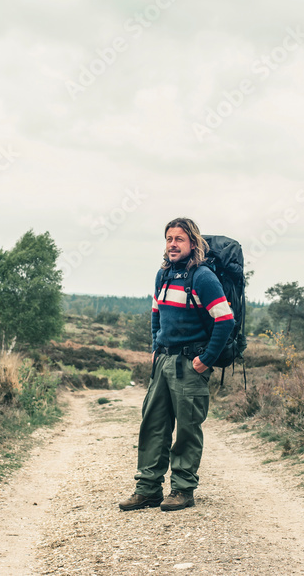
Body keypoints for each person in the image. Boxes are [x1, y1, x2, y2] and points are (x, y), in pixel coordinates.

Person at [119, 217, 235, 512]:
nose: (172, 244)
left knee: (186, 429)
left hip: (189, 364)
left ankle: (183, 490)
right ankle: (147, 489)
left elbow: (225, 320)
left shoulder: (204, 277)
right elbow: (156, 313)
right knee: (153, 425)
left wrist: (206, 359)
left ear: (193, 243)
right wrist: (156, 348)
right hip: (164, 360)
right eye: (169, 238)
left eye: (179, 239)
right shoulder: (164, 275)